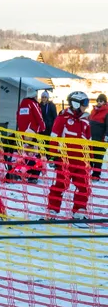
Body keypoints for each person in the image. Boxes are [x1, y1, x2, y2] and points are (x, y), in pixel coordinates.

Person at [47, 91, 92, 219]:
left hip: (81, 160)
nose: (86, 106)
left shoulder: (85, 121)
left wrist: (91, 157)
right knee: (60, 185)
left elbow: (89, 140)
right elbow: (54, 137)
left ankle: (79, 210)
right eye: (85, 103)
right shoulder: (63, 118)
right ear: (76, 103)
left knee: (83, 186)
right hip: (65, 159)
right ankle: (52, 210)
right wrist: (53, 155)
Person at [89, 94, 108, 180]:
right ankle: (90, 171)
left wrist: (106, 137)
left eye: (101, 101)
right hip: (91, 138)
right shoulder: (93, 110)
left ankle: (96, 174)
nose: (99, 102)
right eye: (98, 101)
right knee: (91, 155)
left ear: (104, 102)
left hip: (101, 139)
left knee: (98, 157)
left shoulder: (106, 112)